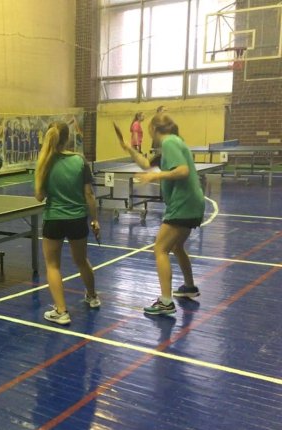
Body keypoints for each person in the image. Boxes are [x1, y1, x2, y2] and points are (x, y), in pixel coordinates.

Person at [117, 113, 204, 315]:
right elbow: (147, 165)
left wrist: (155, 177)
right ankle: (189, 287)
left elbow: (182, 171)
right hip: (192, 203)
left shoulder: (169, 143)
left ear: (154, 129)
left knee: (160, 248)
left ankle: (166, 302)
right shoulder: (173, 143)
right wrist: (128, 148)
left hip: (183, 204)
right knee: (176, 246)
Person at [34, 121, 101, 326]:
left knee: (53, 265)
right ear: (68, 138)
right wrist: (95, 219)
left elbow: (39, 196)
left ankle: (61, 311)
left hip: (54, 219)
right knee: (81, 260)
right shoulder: (80, 161)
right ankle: (92, 297)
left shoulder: (44, 163)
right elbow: (89, 194)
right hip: (77, 219)